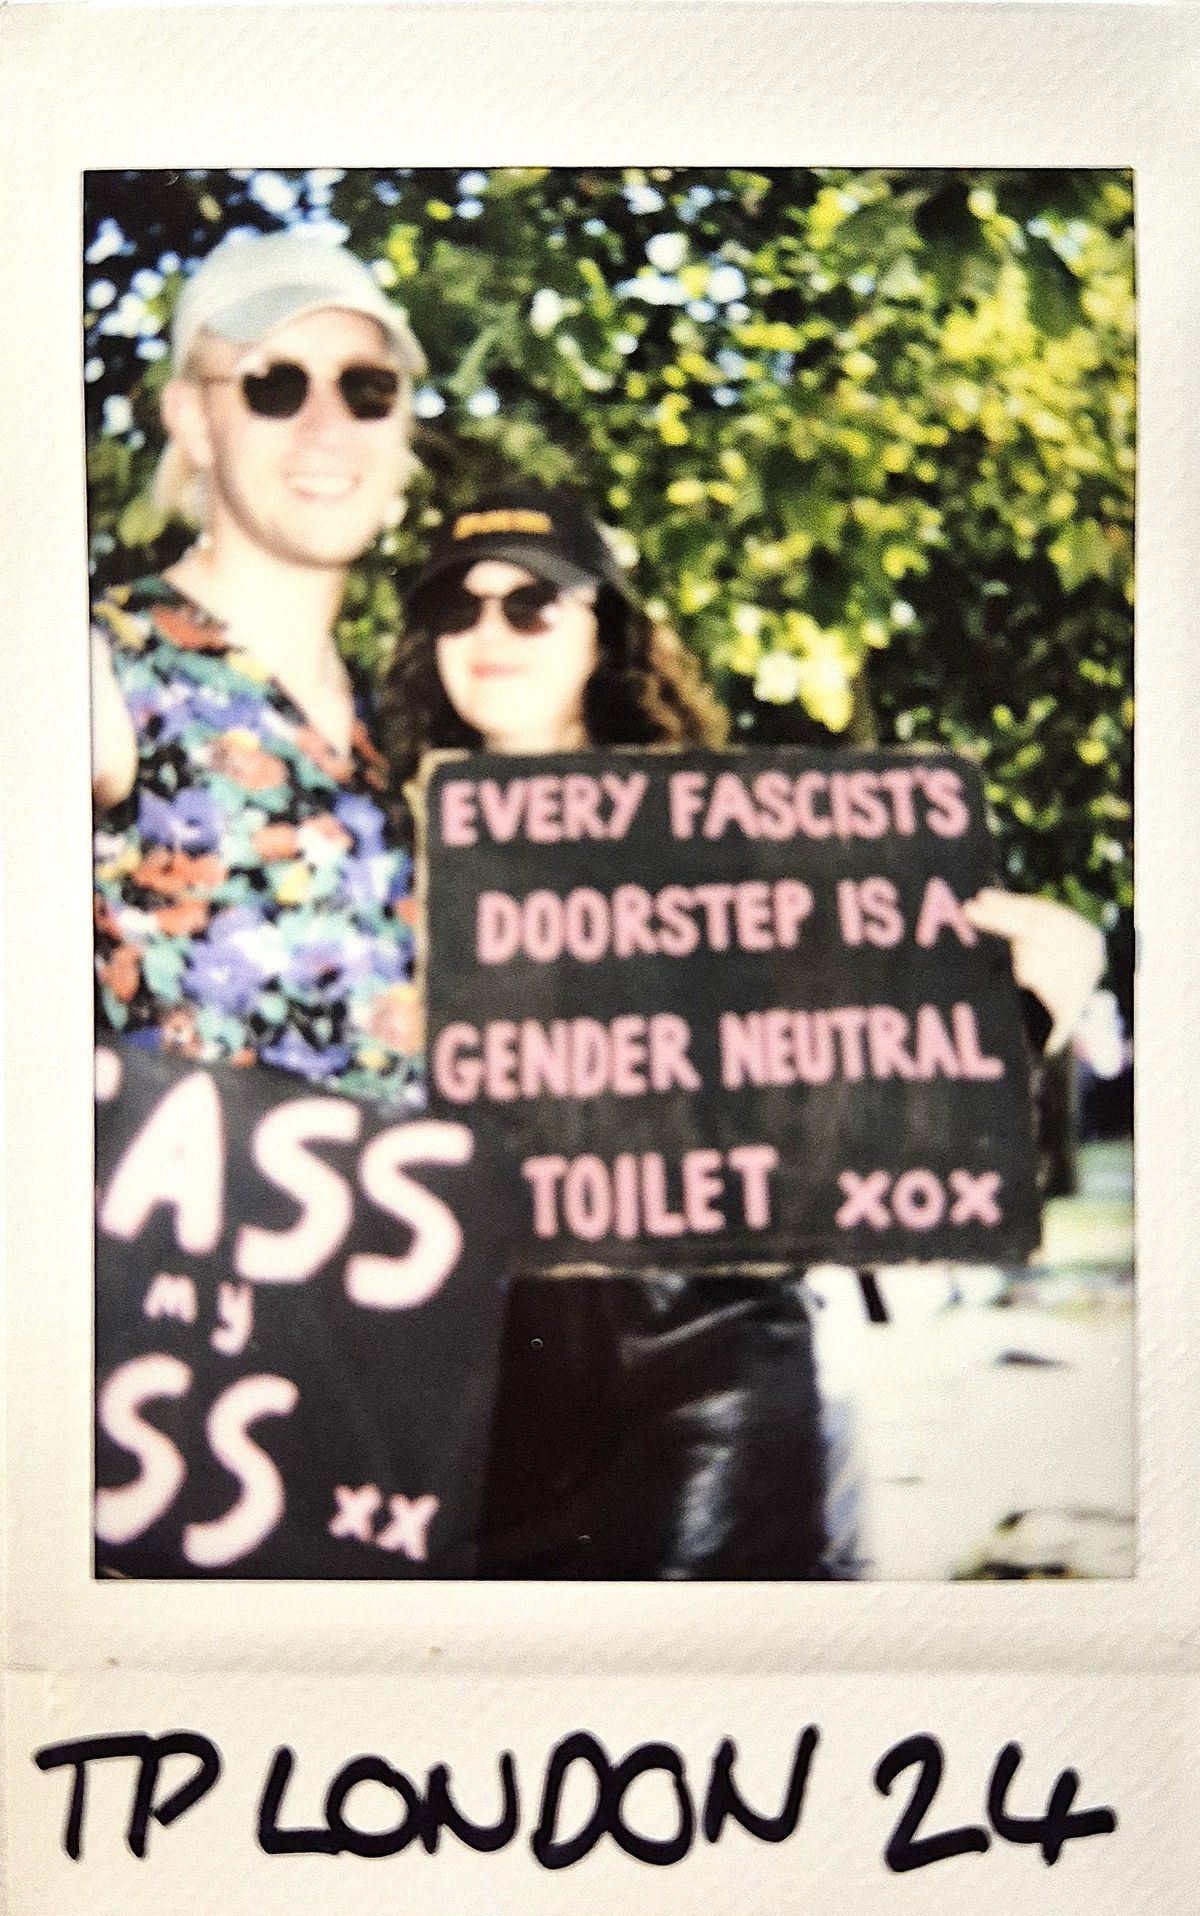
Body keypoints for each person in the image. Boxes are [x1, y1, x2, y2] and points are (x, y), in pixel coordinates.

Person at [386, 481, 1107, 1581]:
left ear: (604, 633)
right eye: (460, 607)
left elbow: (850, 1093)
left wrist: (1023, 1006)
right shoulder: (375, 841)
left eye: (532, 602)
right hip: (462, 1397)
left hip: (702, 1376)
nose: (490, 633)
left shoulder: (742, 850)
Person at [92, 230, 427, 1103]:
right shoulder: (102, 672)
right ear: (195, 423)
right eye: (274, 386)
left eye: (366, 388)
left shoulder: (397, 727)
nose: (326, 428)